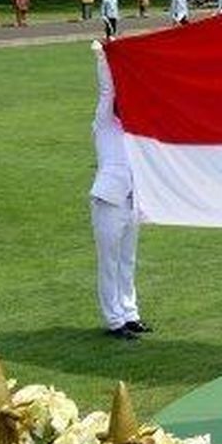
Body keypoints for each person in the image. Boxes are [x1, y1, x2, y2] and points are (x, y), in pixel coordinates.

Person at [89, 42, 150, 340]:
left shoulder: (136, 129)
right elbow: (106, 92)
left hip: (133, 201)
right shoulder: (104, 125)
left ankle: (130, 313)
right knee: (110, 262)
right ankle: (114, 320)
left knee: (128, 260)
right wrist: (104, 57)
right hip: (109, 200)